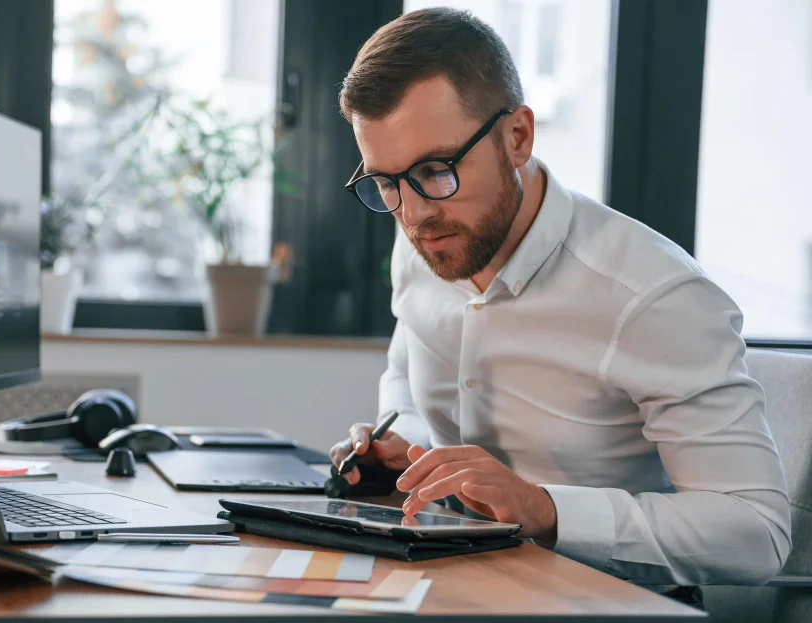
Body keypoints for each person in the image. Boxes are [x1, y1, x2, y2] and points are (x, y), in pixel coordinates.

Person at [329, 7, 791, 599]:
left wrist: (546, 509)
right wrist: (406, 447)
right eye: (385, 182)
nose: (414, 213)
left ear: (518, 137)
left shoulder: (653, 295)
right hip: (447, 582)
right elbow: (407, 371)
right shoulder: (428, 236)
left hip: (604, 603)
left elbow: (756, 534)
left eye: (436, 170)